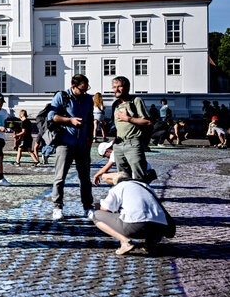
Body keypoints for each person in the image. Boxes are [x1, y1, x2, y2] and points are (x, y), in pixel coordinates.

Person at [49, 74, 95, 221]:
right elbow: (52, 116)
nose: (85, 92)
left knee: (85, 178)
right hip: (65, 142)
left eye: (87, 89)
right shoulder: (61, 96)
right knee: (60, 177)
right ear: (73, 87)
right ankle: (57, 207)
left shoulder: (88, 99)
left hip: (82, 144)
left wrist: (90, 139)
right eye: (82, 90)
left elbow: (90, 118)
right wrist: (70, 120)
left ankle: (87, 206)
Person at [92, 172, 168, 255]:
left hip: (136, 227)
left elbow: (106, 209)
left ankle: (125, 241)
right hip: (161, 227)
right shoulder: (145, 186)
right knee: (148, 216)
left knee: (96, 215)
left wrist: (98, 206)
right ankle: (150, 243)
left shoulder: (118, 187)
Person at [112, 76, 153, 182]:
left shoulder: (136, 101)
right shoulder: (115, 105)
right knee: (122, 177)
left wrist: (128, 118)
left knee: (140, 176)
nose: (116, 90)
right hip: (119, 144)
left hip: (133, 143)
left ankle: (144, 196)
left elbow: (148, 122)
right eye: (114, 87)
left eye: (119, 87)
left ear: (127, 87)